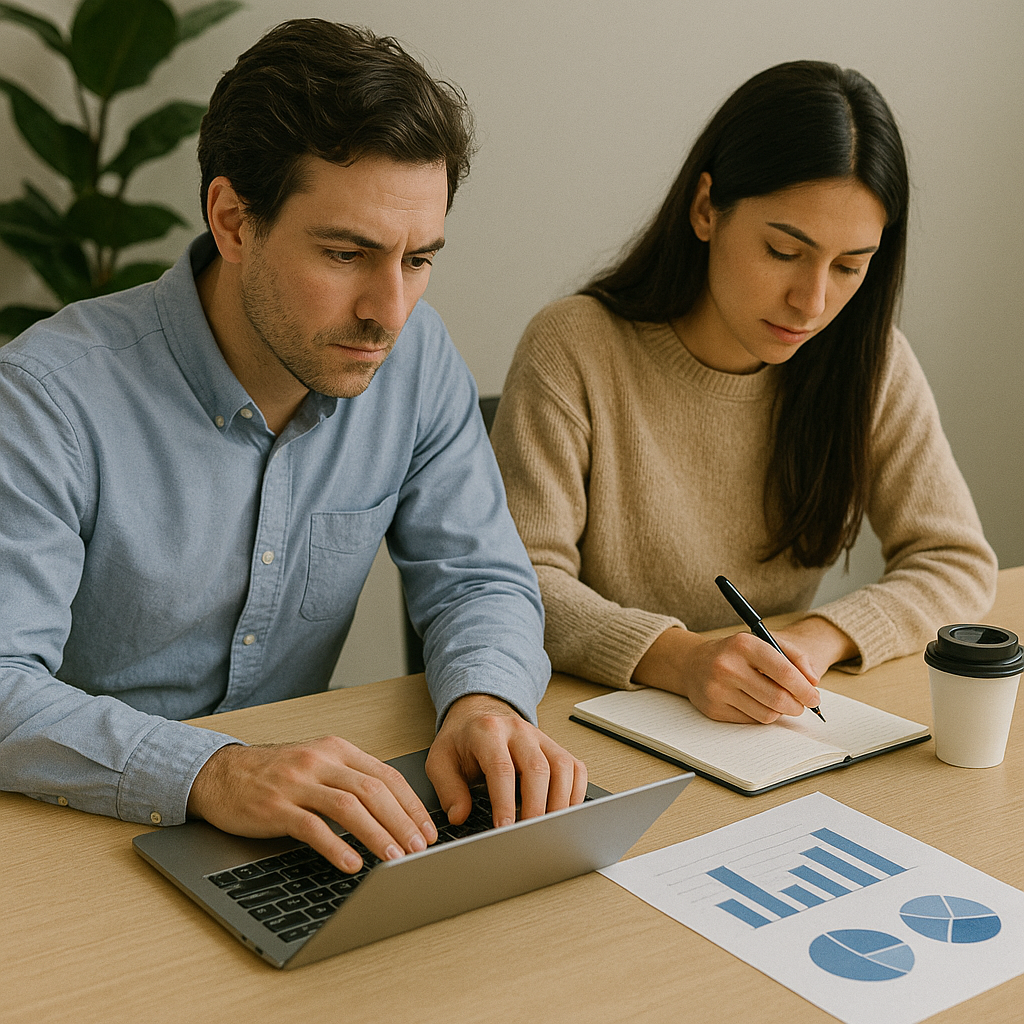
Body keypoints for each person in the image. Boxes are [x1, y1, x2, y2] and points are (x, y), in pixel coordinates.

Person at [0, 20, 586, 875]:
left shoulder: (415, 363)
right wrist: (212, 770)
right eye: (348, 254)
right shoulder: (47, 398)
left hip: (293, 837)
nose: (390, 310)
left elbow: (479, 578)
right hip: (78, 839)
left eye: (419, 258)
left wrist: (486, 702)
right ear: (234, 219)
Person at [491, 61, 997, 726]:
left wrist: (814, 641)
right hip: (588, 725)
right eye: (785, 251)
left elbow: (955, 561)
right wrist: (684, 658)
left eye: (850, 267)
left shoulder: (868, 362)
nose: (812, 302)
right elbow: (516, 582)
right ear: (706, 209)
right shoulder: (574, 347)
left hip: (763, 731)